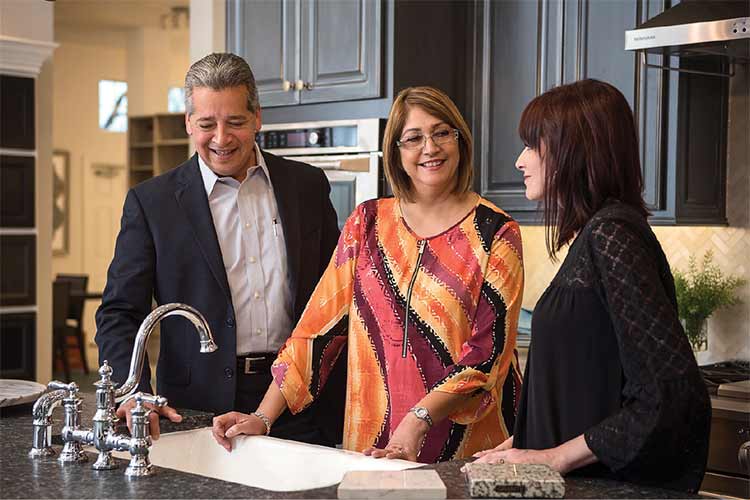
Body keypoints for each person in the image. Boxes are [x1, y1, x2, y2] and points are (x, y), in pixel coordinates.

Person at [211, 86, 525, 463]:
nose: (430, 148)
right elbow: (317, 332)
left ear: (461, 140)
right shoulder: (368, 222)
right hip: (373, 445)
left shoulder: (497, 232)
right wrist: (263, 417)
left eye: (442, 132)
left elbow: (486, 357)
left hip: (468, 449)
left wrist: (417, 420)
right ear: (396, 151)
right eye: (413, 138)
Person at [473, 79, 711, 492]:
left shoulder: (612, 234)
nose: (518, 161)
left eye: (532, 145)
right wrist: (528, 442)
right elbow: (594, 386)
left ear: (573, 150)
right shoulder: (596, 235)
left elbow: (667, 395)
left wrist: (553, 457)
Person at [95, 53, 344, 445]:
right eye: (207, 124)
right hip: (195, 407)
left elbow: (335, 300)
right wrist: (132, 391)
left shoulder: (308, 186)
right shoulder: (152, 203)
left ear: (257, 117)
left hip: (301, 402)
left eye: (236, 122)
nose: (221, 138)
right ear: (188, 123)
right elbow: (120, 312)